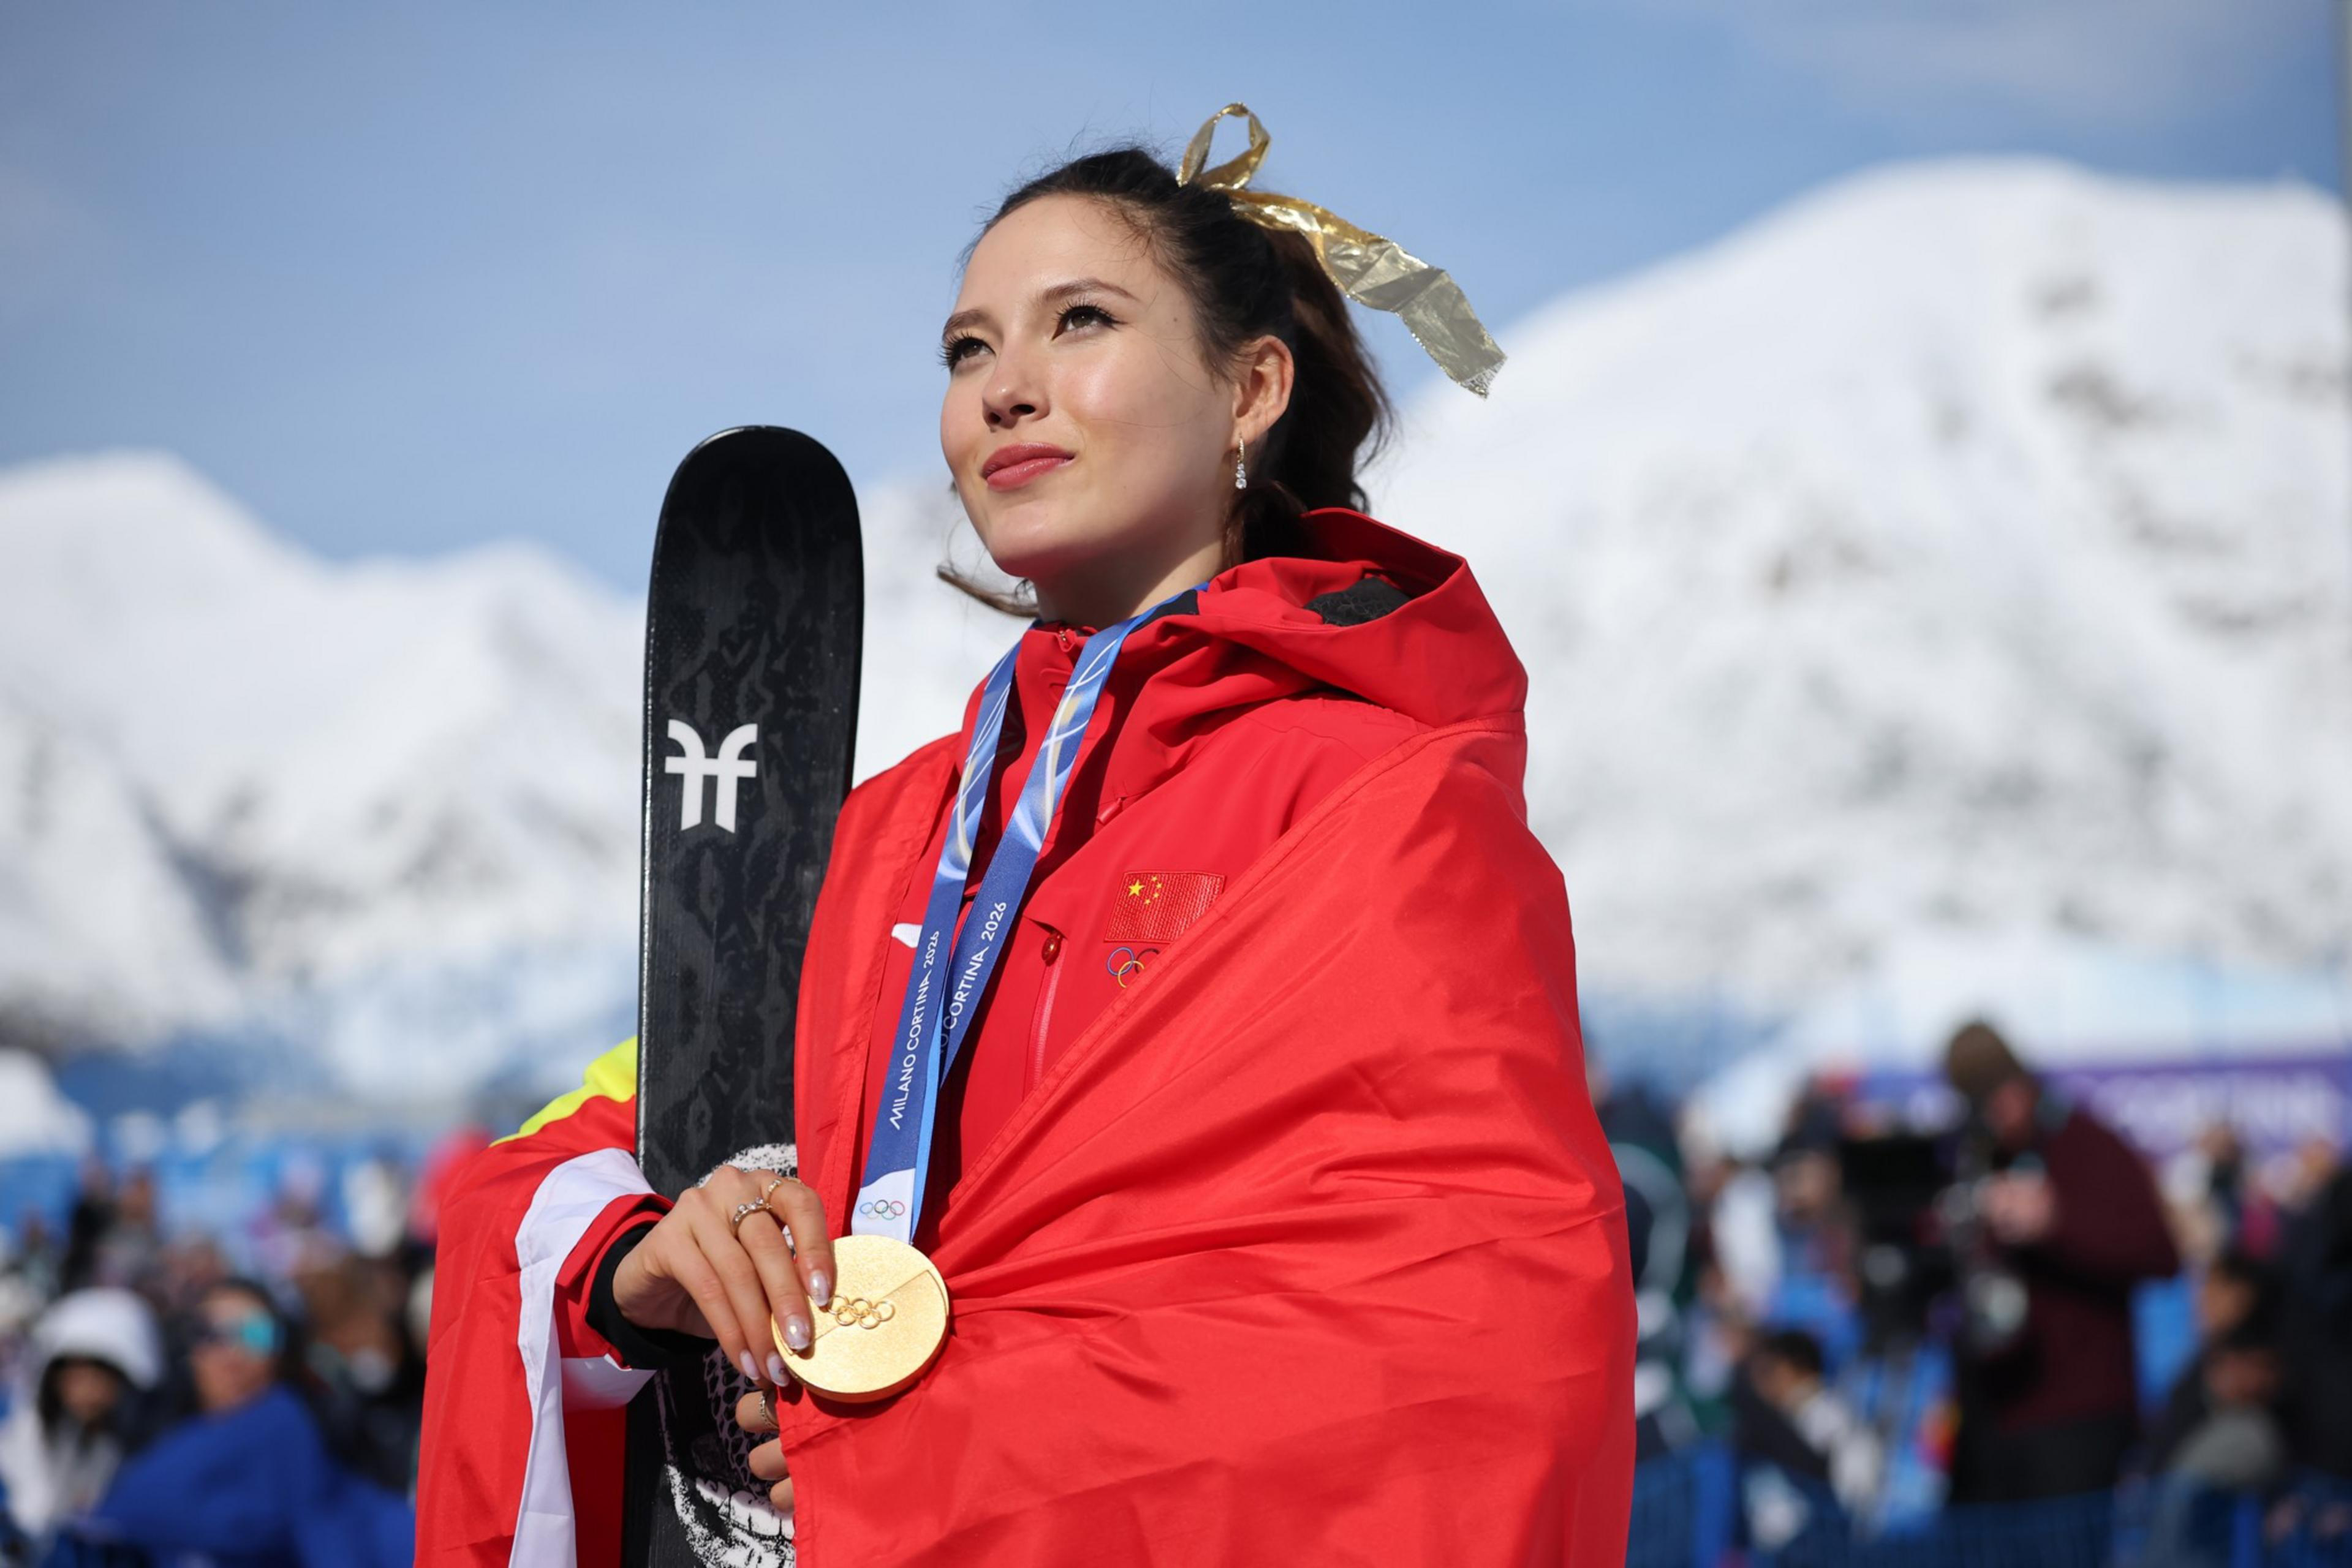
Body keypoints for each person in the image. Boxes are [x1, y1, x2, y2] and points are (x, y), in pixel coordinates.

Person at [420, 103, 1635, 1566]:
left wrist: (949, 1449)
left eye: (1079, 321)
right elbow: (602, 1135)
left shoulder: (1378, 801)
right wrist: (636, 1256)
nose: (1004, 389)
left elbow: (1467, 1352)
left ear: (1250, 387)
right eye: (967, 349)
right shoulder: (900, 827)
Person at [1941, 1020, 2179, 1504]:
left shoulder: (2088, 1147)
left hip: (2078, 1416)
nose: (1995, 1113)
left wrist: (2055, 1224)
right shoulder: (1972, 1157)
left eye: (2000, 1094)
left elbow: (2160, 1253)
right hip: (1991, 1411)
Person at [64, 1280, 412, 1568]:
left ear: (284, 1351)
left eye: (256, 1335)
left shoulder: (303, 1431)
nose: (231, 1355)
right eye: (209, 1334)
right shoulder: (145, 1438)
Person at [0, 1287, 160, 1546]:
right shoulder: (17, 1434)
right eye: (76, 1374)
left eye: (101, 1376)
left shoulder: (122, 1453)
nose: (87, 1390)